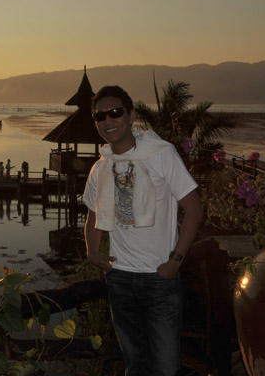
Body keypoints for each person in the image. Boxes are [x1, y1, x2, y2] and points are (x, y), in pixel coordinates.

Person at [83, 85, 201, 376]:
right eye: (101, 117)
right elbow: (93, 212)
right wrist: (92, 251)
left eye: (115, 113)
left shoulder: (161, 155)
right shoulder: (101, 166)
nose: (108, 121)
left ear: (131, 115)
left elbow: (194, 208)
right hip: (120, 278)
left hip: (159, 279)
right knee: (135, 365)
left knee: (165, 367)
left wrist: (176, 260)